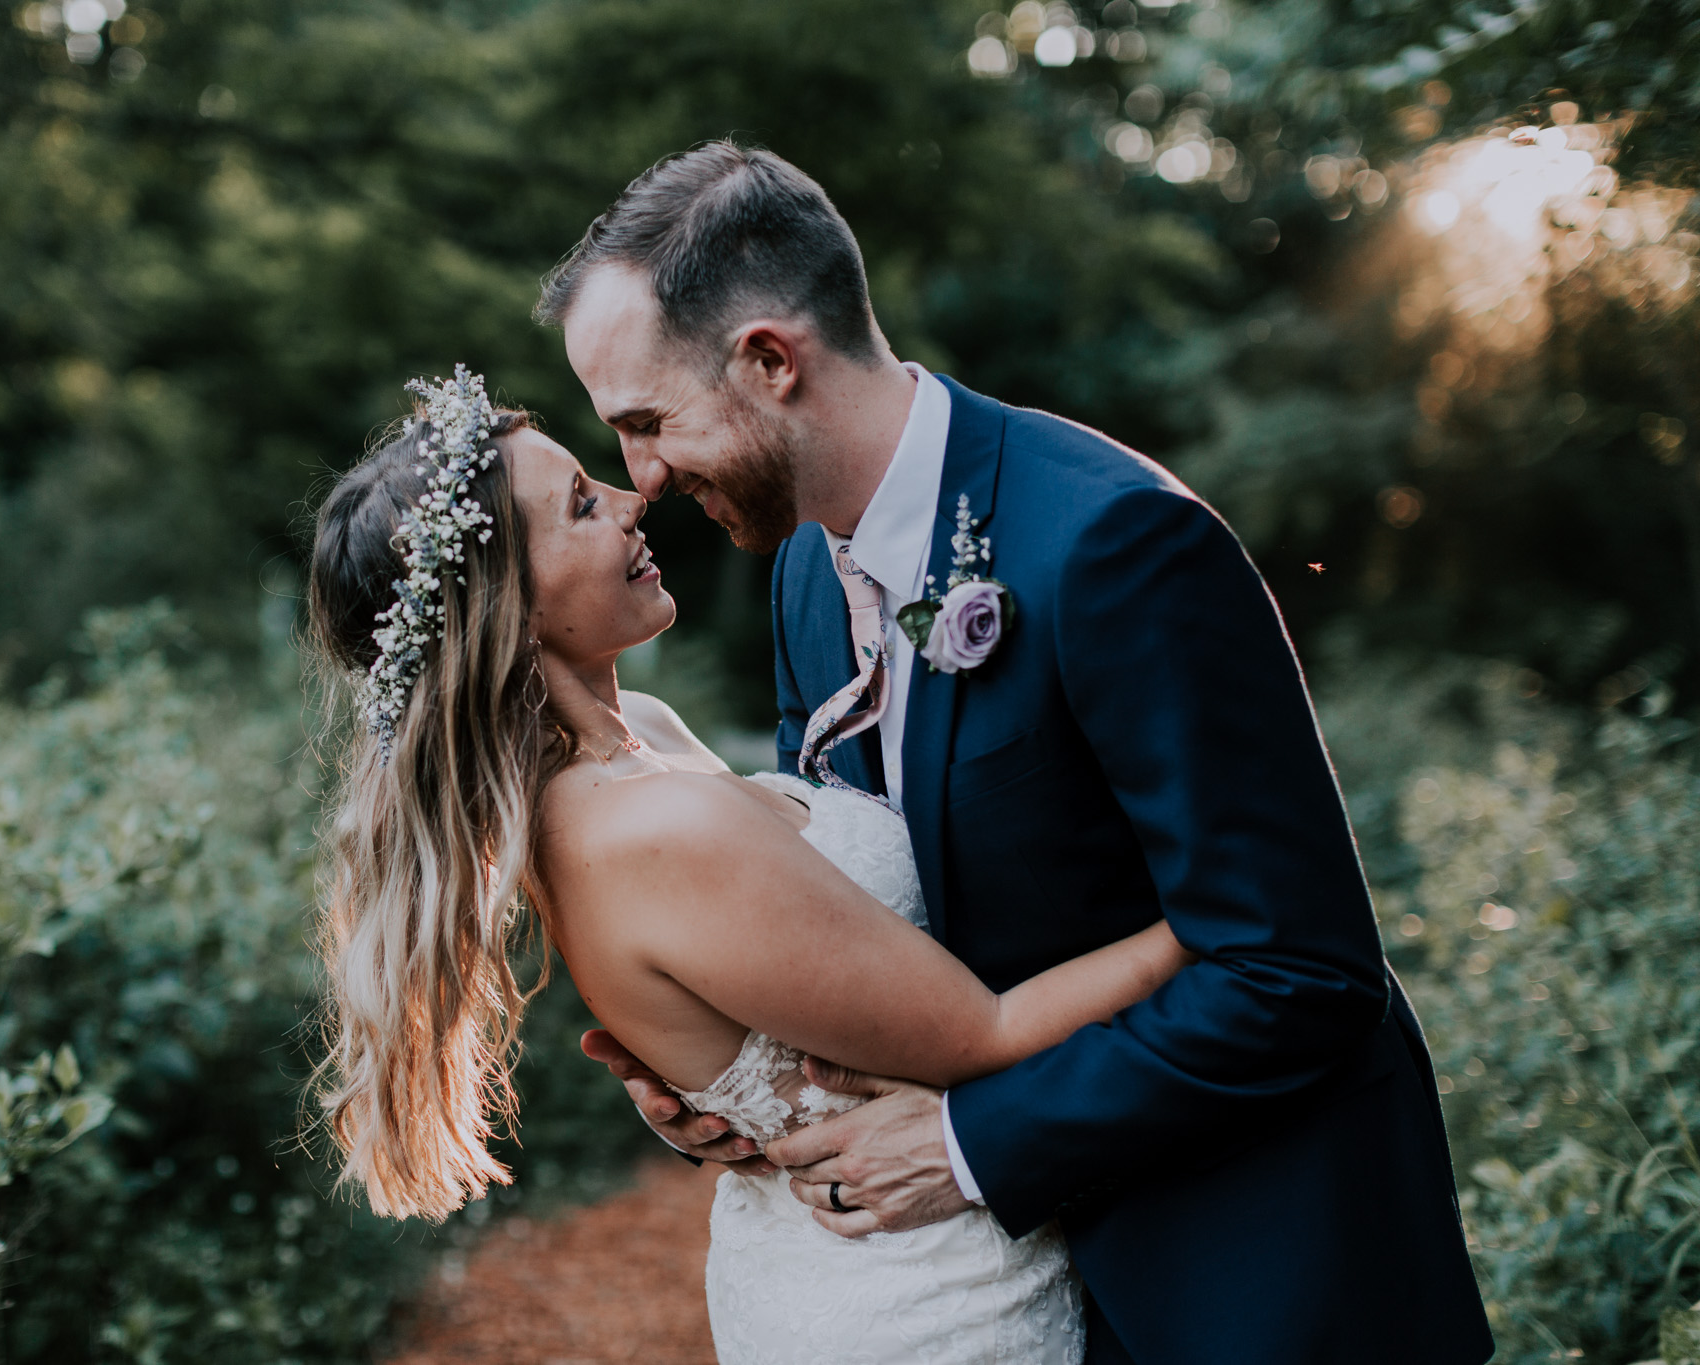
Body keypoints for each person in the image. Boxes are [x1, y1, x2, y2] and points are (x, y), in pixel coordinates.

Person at [535, 142, 1494, 1364]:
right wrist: (724, 1078)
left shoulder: (1112, 544)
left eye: (647, 423)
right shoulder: (799, 581)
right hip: (991, 1298)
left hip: (1249, 1273)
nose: (642, 477)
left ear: (770, 361)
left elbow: (1296, 968)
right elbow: (838, 914)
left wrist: (970, 1143)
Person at [304, 366, 1202, 1363]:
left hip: (898, 1240)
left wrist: (715, 1085)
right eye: (579, 505)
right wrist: (1209, 917)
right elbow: (981, 1035)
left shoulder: (635, 737)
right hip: (913, 1304)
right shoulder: (645, 827)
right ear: (508, 614)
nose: (627, 495)